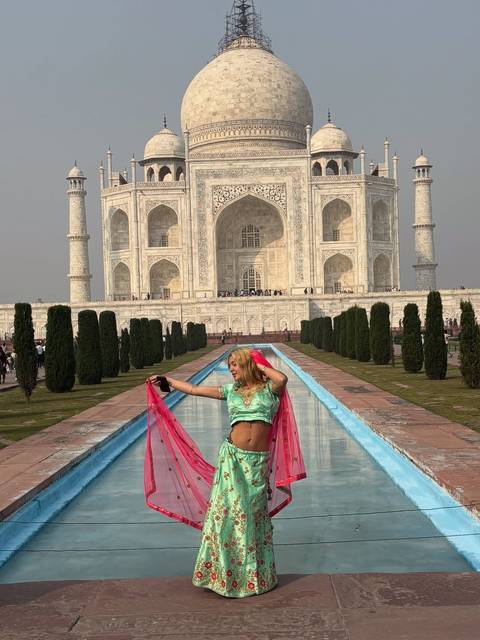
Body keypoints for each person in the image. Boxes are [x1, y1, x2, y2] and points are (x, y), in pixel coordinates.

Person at [145, 347, 306, 598]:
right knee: (230, 515)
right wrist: (168, 381)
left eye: (235, 364)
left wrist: (256, 364)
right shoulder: (230, 391)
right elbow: (195, 390)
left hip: (257, 462)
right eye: (230, 365)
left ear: (247, 365)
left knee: (253, 516)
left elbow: (282, 378)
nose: (231, 369)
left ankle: (255, 578)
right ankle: (224, 576)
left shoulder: (270, 390)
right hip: (232, 459)